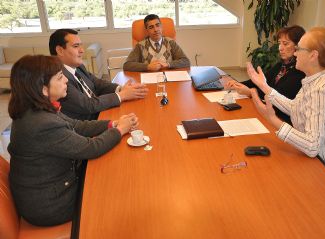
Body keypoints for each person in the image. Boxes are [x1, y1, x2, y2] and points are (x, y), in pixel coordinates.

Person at [8, 55, 139, 226]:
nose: (66, 82)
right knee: (122, 187)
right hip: (53, 204)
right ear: (43, 89)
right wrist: (120, 129)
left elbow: (77, 125)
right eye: (60, 78)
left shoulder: (37, 108)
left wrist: (112, 123)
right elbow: (90, 148)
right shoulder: (42, 123)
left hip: (51, 187)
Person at [247, 27, 325, 180]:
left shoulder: (321, 90)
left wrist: (272, 119)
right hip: (319, 160)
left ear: (313, 55)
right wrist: (264, 86)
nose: (295, 53)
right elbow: (296, 108)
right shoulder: (317, 77)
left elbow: (311, 146)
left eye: (298, 49)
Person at [49, 29, 148, 120]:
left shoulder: (78, 67)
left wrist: (121, 89)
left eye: (80, 45)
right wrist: (122, 95)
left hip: (101, 112)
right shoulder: (58, 78)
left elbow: (97, 83)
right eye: (76, 46)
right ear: (60, 50)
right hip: (88, 125)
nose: (82, 50)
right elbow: (87, 105)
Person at [227, 25, 306, 124]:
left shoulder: (300, 71)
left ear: (299, 46)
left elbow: (277, 95)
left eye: (285, 44)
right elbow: (259, 82)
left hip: (282, 119)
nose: (280, 48)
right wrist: (237, 83)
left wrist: (252, 92)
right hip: (269, 112)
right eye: (279, 43)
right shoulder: (281, 65)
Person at [123, 14, 190, 72]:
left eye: (157, 25)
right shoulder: (140, 46)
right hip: (149, 79)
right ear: (147, 30)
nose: (155, 30)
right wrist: (148, 67)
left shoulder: (171, 42)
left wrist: (168, 64)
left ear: (161, 26)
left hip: (169, 79)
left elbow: (186, 61)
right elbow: (127, 65)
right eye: (151, 27)